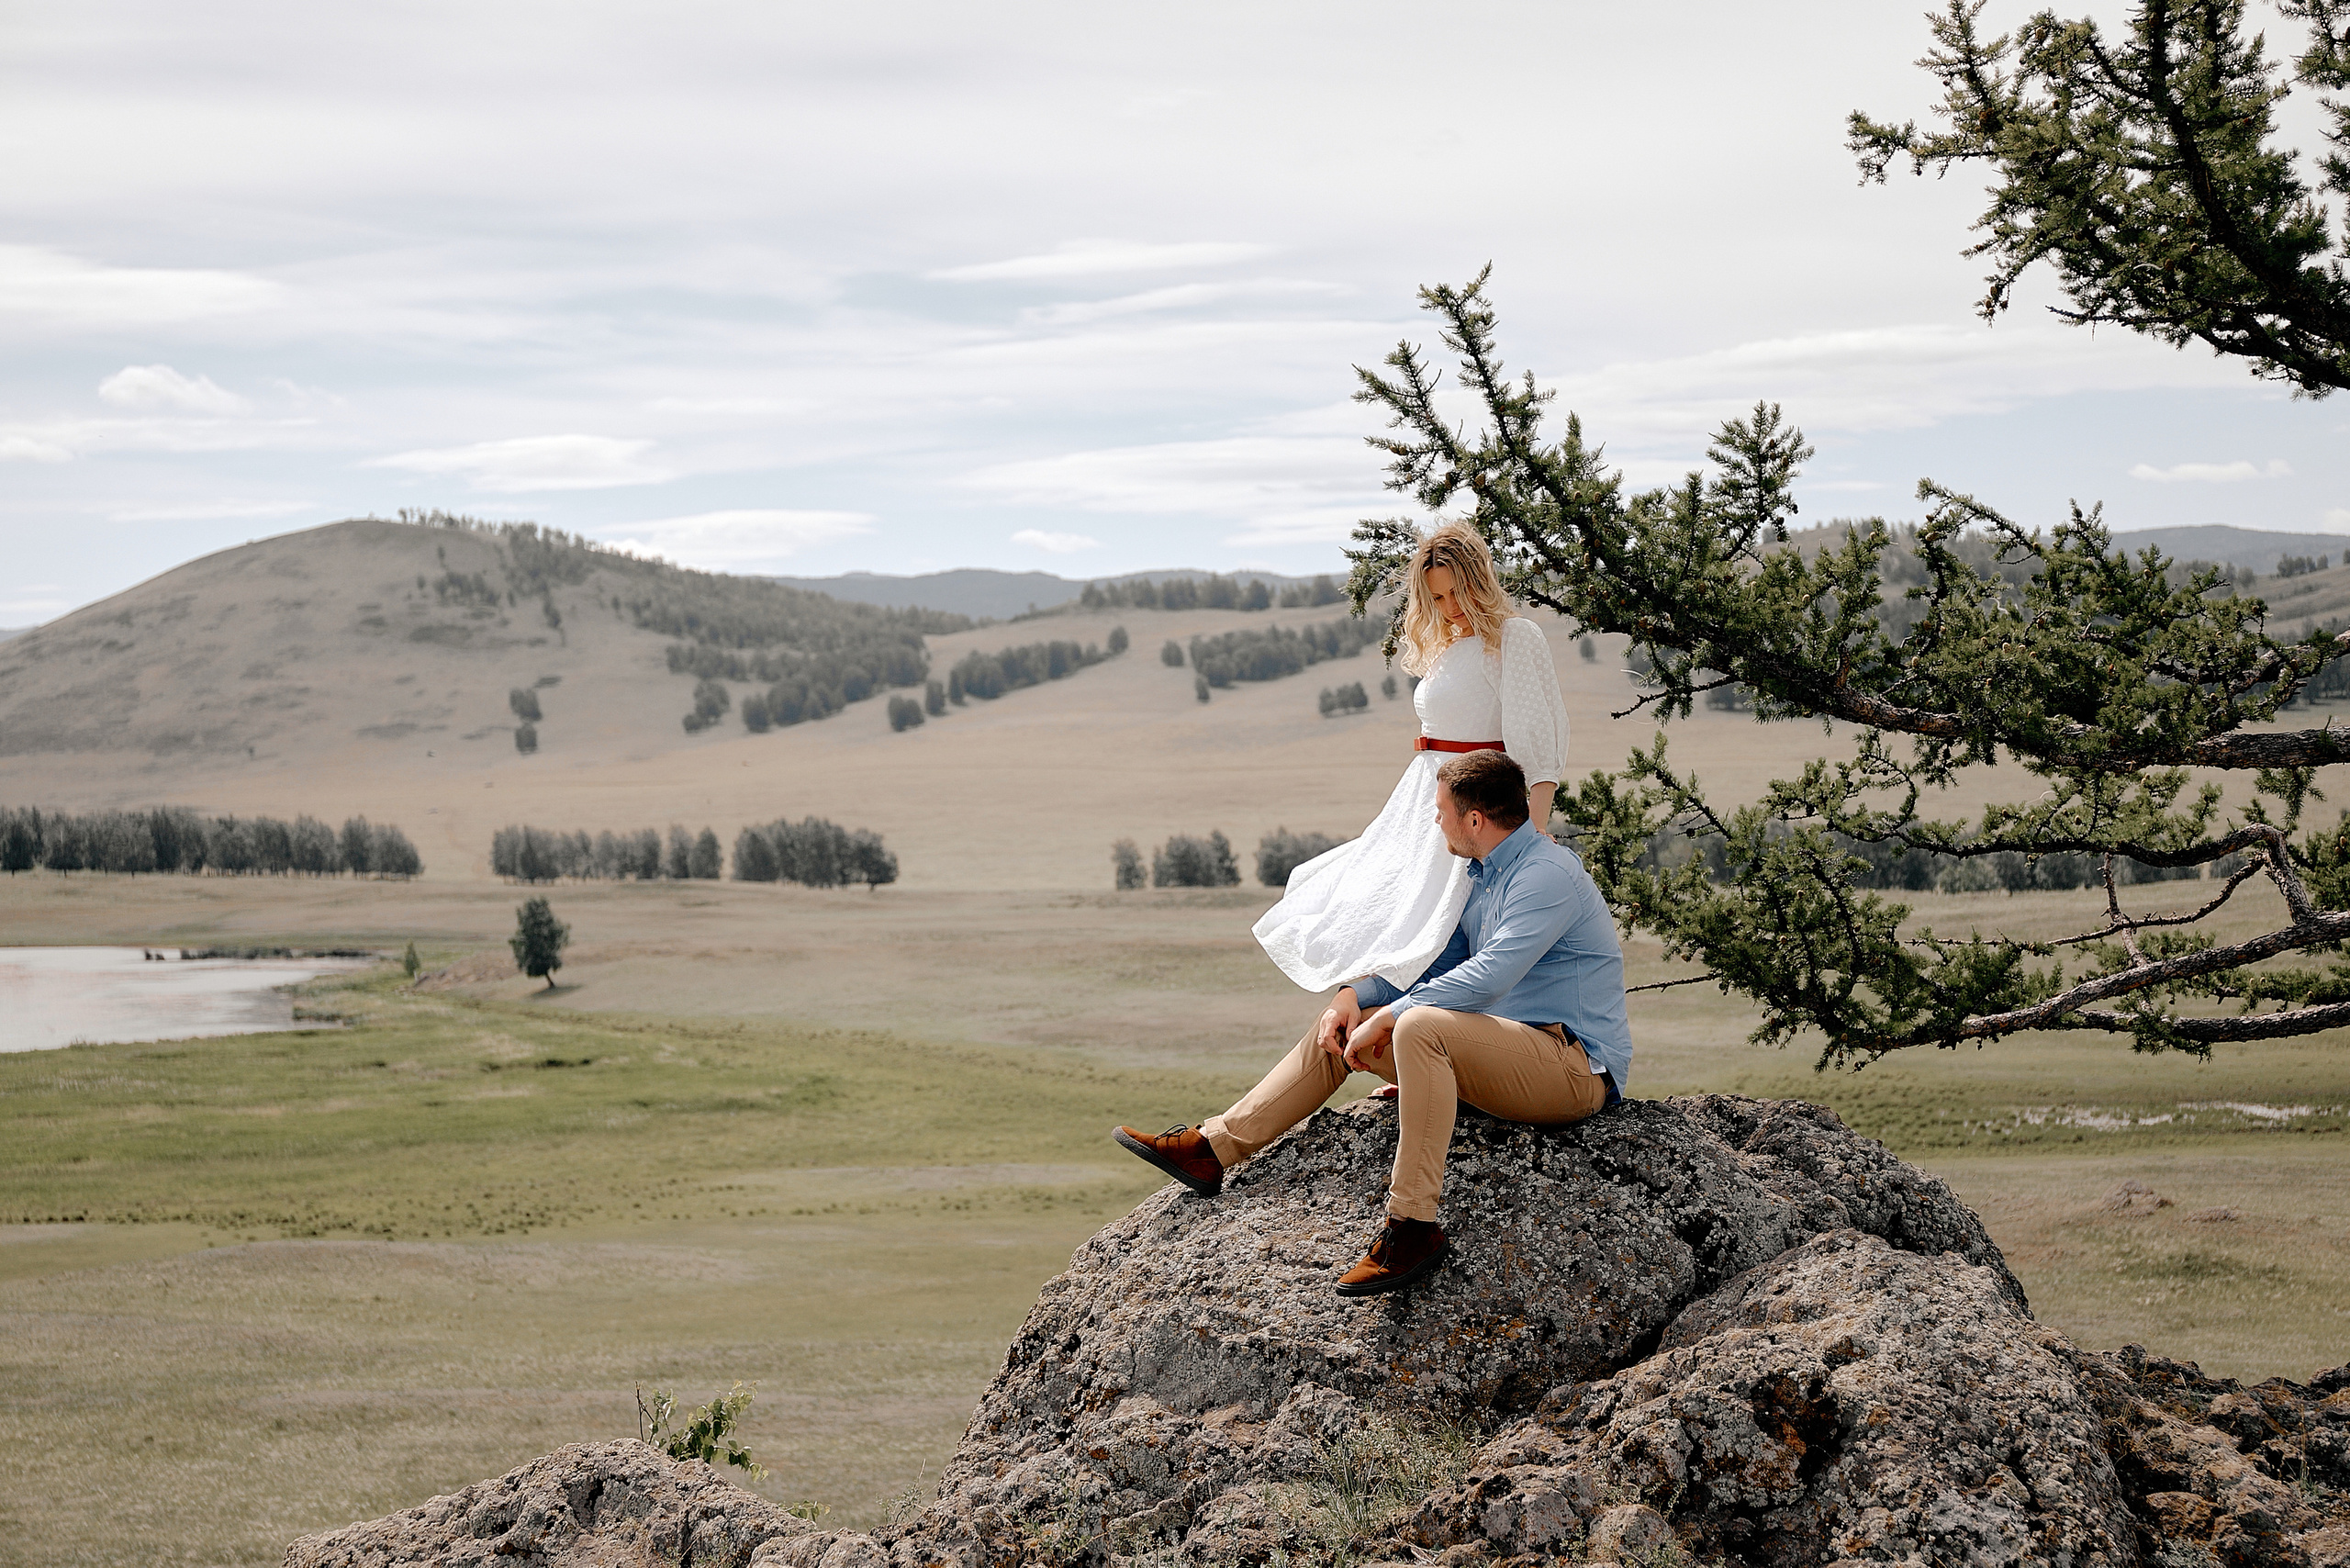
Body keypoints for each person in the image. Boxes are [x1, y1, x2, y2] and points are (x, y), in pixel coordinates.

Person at [1115, 750, 1631, 1296]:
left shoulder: (1546, 875)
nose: (1436, 821)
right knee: (1346, 1027)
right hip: (1505, 1059)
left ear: (1475, 819)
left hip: (1573, 1069)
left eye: (1442, 811)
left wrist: (1390, 1017)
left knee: (1417, 1028)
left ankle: (1412, 1226)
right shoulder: (1482, 876)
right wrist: (1353, 997)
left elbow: (1490, 976)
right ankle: (1213, 1148)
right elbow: (1435, 965)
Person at [1252, 522, 1571, 996]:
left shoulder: (1513, 637)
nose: (1450, 606)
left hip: (1472, 804)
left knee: (1433, 938)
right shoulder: (1448, 646)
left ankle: (1404, 1021)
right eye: (1438, 598)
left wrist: (1533, 836)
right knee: (1363, 907)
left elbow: (1538, 742)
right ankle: (1366, 1010)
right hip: (1422, 802)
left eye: (1457, 591)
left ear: (1480, 579)